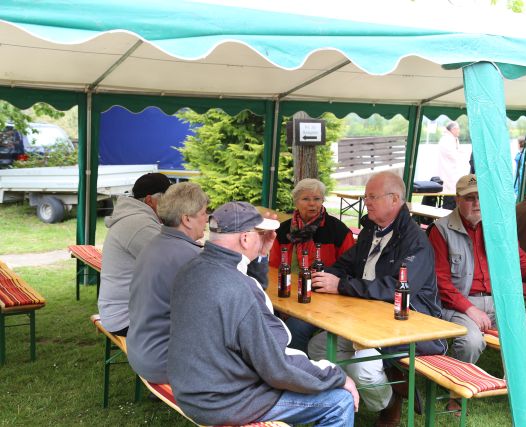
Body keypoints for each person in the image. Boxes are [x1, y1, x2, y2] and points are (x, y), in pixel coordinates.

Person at [167, 201, 358, 427]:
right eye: (261, 233)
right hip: (224, 401)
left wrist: (261, 254)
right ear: (245, 238)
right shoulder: (239, 289)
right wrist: (337, 376)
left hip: (191, 387)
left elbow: (247, 292)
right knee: (340, 401)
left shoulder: (191, 268)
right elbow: (278, 366)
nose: (267, 237)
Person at [308, 171, 446, 427]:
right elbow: (345, 264)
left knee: (363, 365)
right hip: (366, 315)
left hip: (407, 323)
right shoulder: (373, 230)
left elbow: (397, 288)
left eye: (372, 196)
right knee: (318, 347)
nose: (366, 202)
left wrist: (342, 286)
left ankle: (388, 400)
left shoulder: (415, 241)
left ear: (394, 200)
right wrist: (323, 278)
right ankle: (348, 394)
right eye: (365, 196)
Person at [429, 174, 526, 418]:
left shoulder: (496, 226)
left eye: (481, 198)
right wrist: (470, 309)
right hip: (460, 304)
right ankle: (456, 395)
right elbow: (440, 282)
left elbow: (518, 256)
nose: (477, 203)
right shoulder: (441, 230)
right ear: (458, 200)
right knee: (471, 341)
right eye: (470, 198)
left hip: (499, 303)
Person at [126, 182, 208, 384]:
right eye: (205, 213)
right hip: (162, 361)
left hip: (140, 349)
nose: (207, 219)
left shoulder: (154, 244)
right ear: (187, 219)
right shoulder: (191, 257)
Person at [270, 178, 355, 352]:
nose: (312, 204)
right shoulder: (282, 231)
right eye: (306, 199)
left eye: (317, 199)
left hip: (323, 299)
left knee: (294, 330)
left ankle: (300, 372)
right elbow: (273, 269)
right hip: (285, 294)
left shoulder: (338, 231)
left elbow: (350, 269)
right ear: (296, 201)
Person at [98, 172, 172, 336]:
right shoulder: (139, 223)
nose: (171, 205)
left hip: (122, 312)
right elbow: (171, 261)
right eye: (167, 200)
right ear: (149, 200)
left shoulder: (136, 217)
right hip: (126, 319)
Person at [437, 121, 464, 193]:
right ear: (453, 129)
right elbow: (453, 155)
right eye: (458, 129)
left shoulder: (452, 138)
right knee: (449, 192)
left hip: (452, 172)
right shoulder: (446, 139)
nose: (459, 131)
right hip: (448, 172)